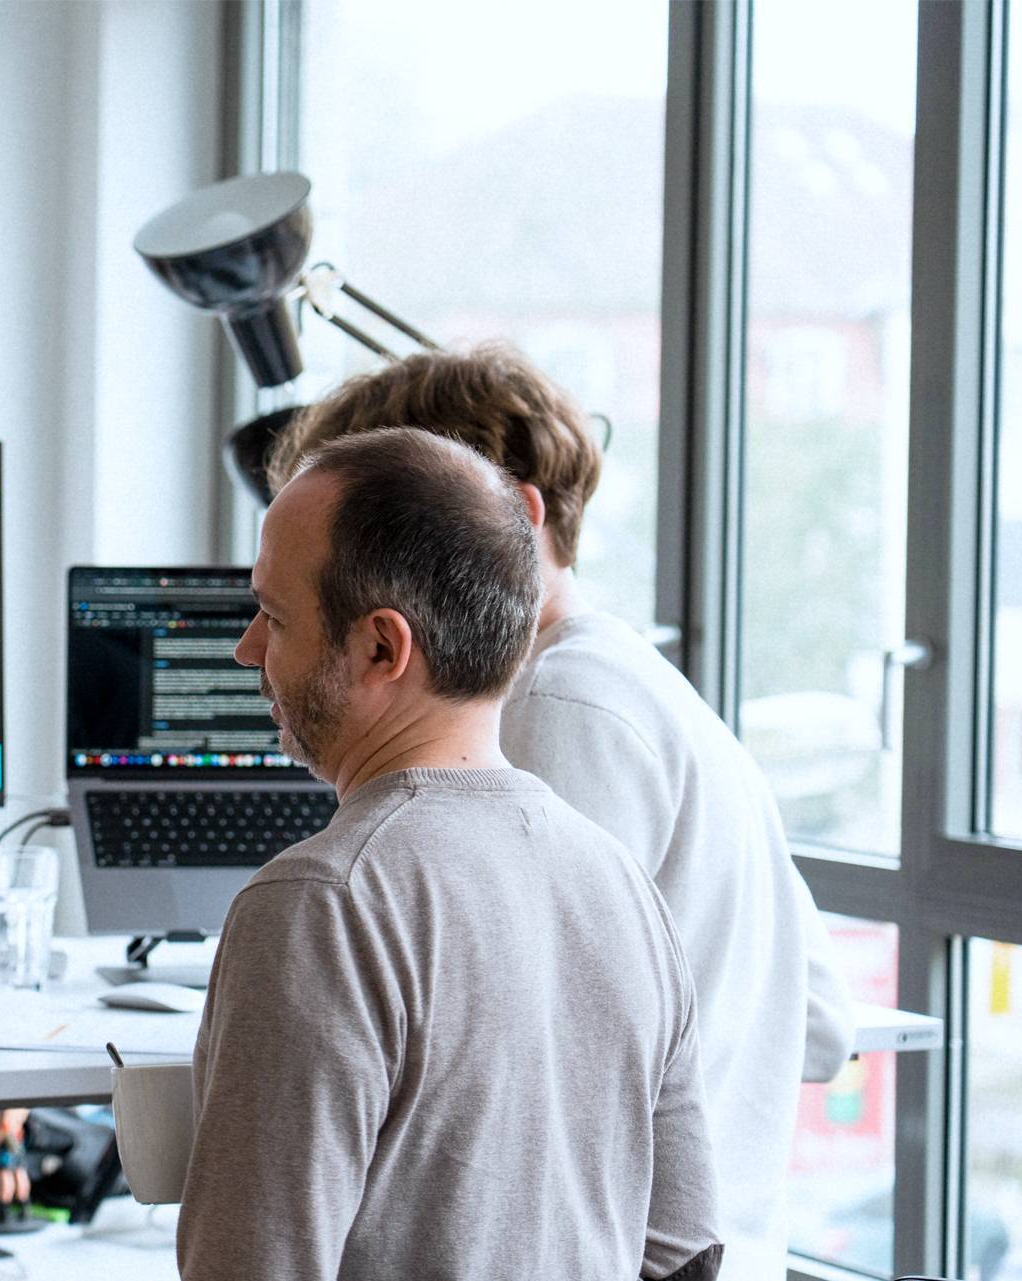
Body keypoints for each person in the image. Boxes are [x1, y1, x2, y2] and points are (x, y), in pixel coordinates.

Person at [272, 344, 855, 1280]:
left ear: (516, 514)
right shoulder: (644, 686)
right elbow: (822, 1024)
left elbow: (510, 1057)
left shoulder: (557, 707)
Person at [179, 429, 721, 1281]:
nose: (249, 649)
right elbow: (682, 1251)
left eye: (274, 617)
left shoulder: (323, 900)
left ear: (380, 648)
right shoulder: (618, 879)